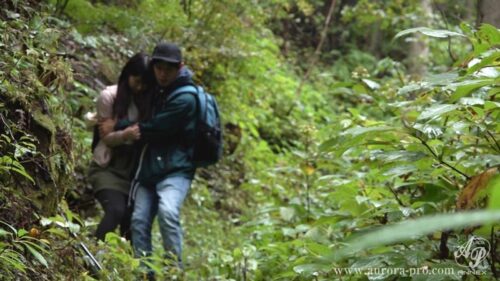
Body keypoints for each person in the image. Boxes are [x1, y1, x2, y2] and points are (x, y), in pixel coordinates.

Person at [110, 42, 197, 273]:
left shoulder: (185, 98)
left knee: (168, 212)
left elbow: (153, 128)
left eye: (169, 68)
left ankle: (173, 272)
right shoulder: (155, 88)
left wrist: (119, 125)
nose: (163, 73)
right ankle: (144, 275)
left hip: (175, 170)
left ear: (180, 67)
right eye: (159, 68)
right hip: (149, 170)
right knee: (138, 221)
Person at [87, 52, 151, 241]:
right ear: (128, 75)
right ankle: (92, 256)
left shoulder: (148, 100)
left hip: (134, 170)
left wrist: (122, 127)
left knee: (132, 223)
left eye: (144, 84)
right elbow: (105, 137)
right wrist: (125, 135)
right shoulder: (109, 97)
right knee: (115, 210)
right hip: (108, 165)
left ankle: (130, 267)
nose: (140, 87)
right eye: (136, 81)